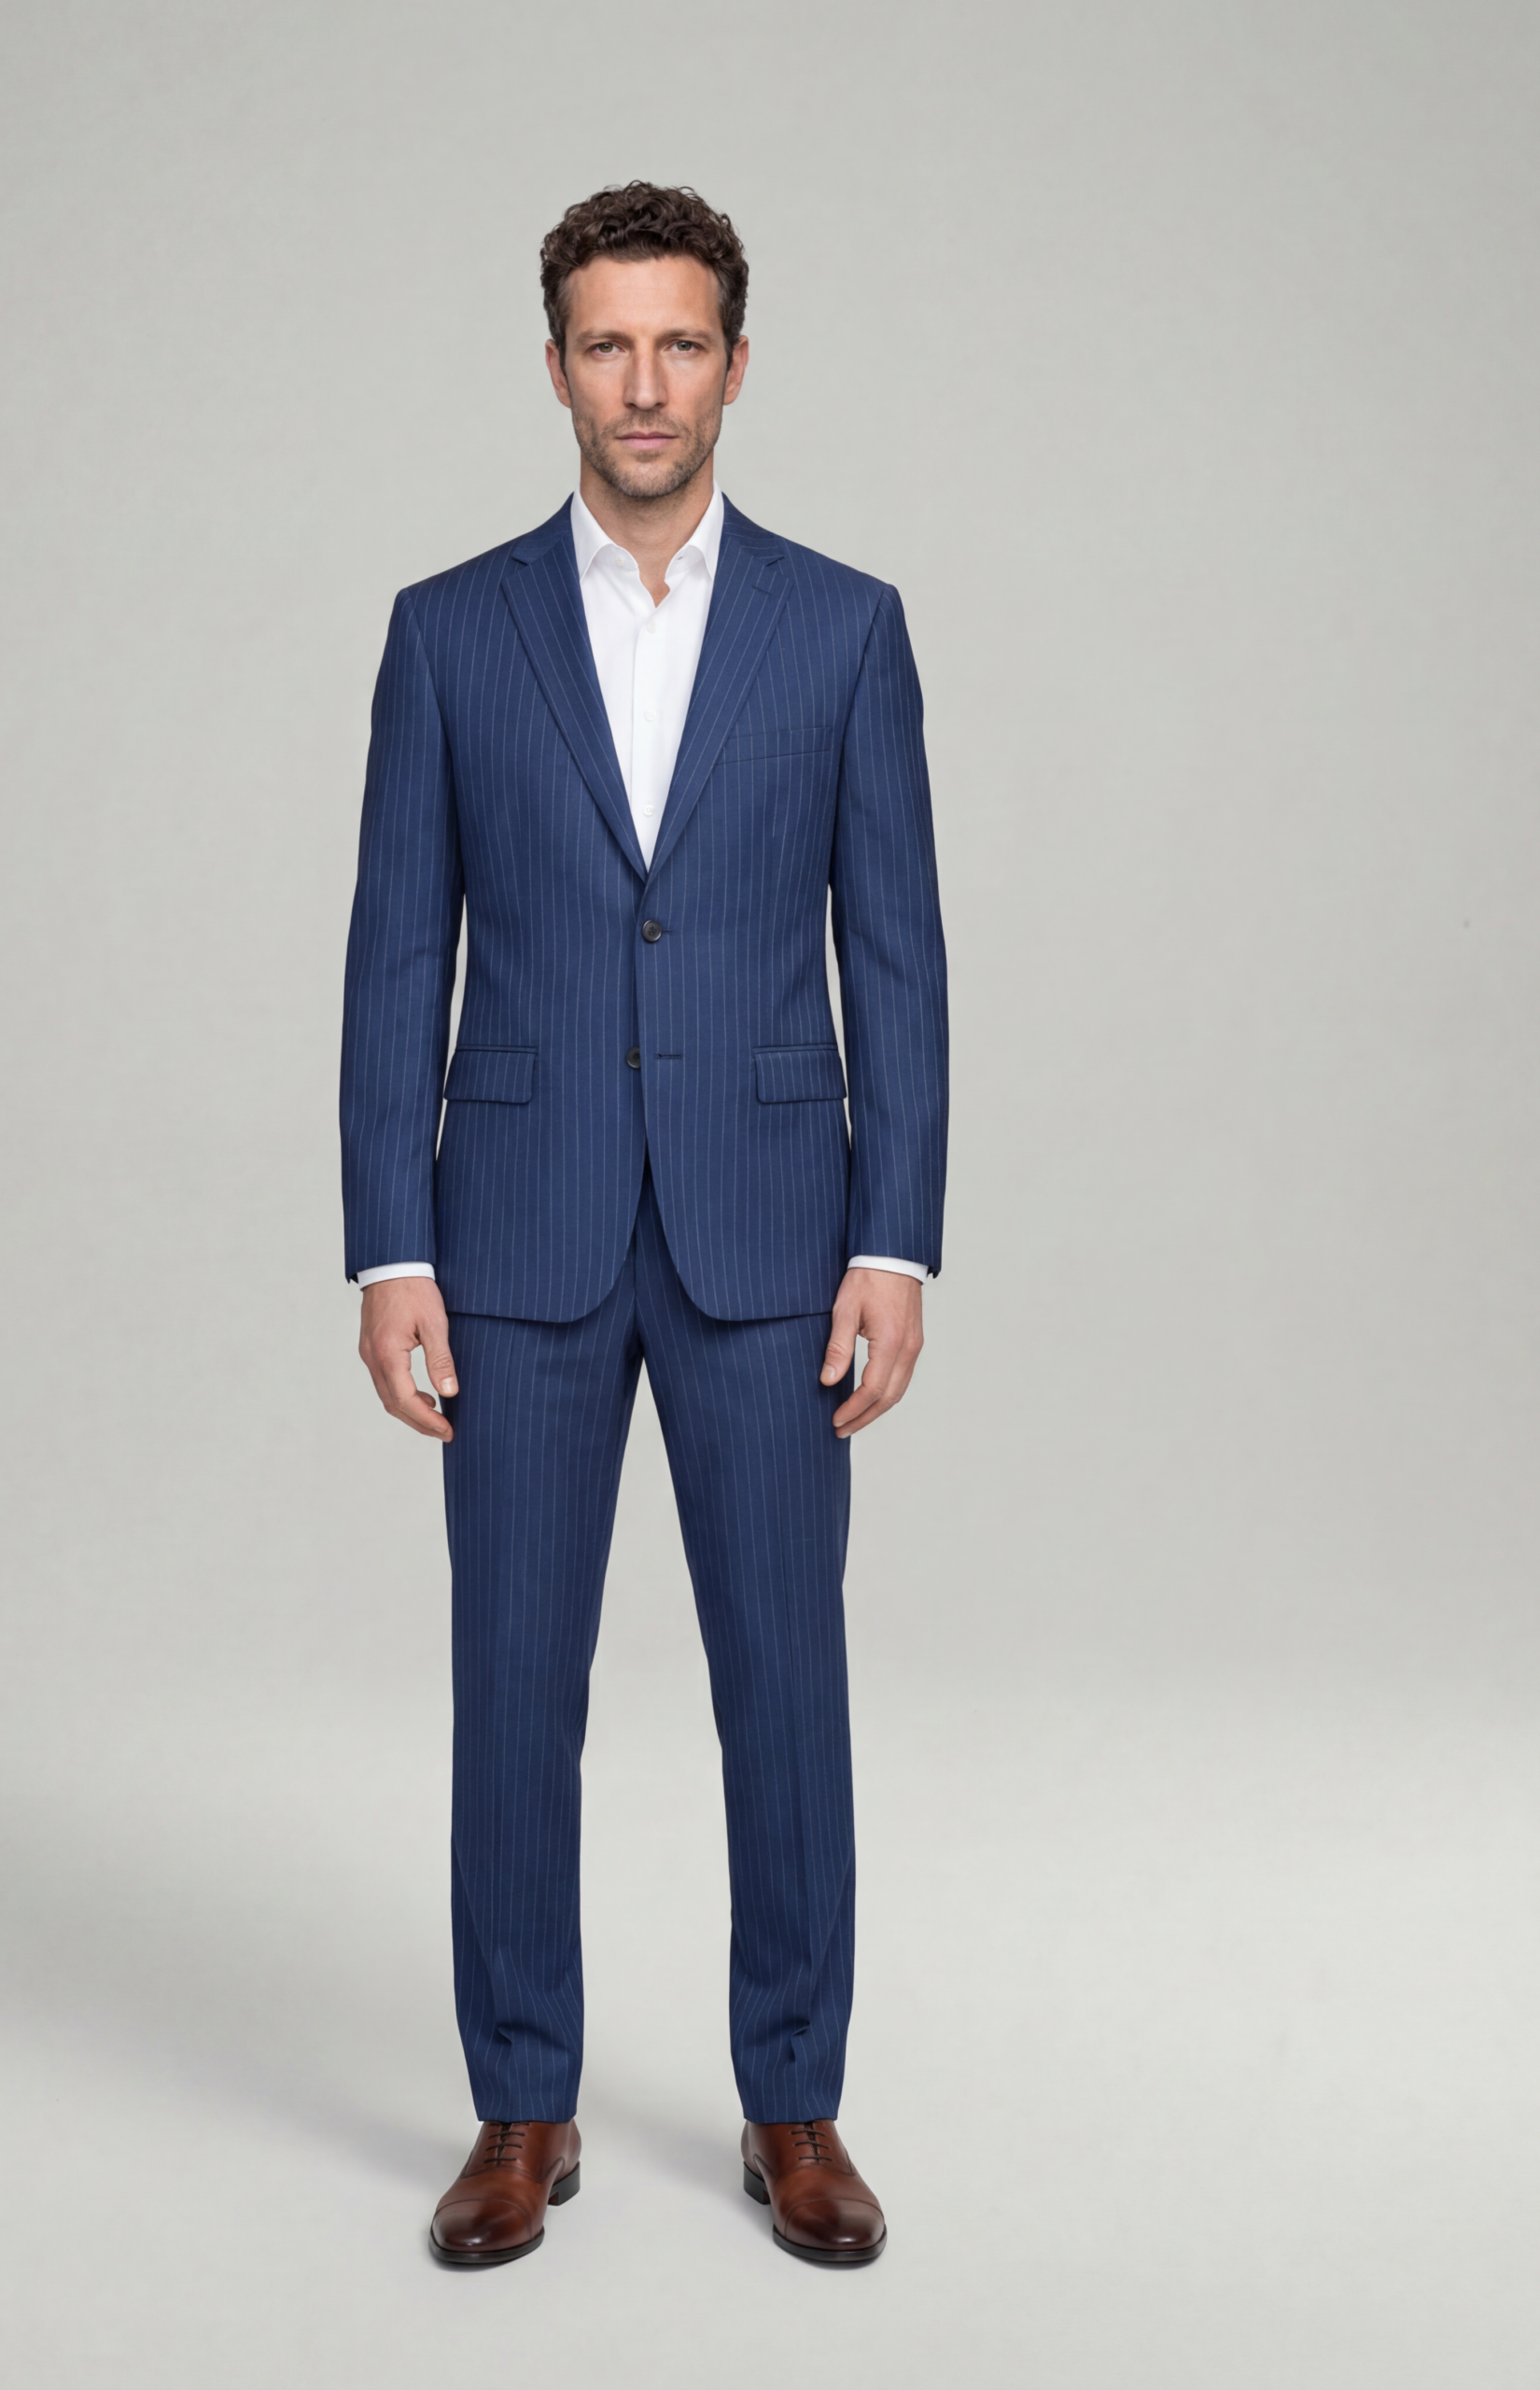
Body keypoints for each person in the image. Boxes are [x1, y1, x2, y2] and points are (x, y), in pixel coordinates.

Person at [340, 182, 947, 2268]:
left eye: (679, 342)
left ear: (736, 367)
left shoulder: (843, 628)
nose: (644, 382)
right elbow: (392, 955)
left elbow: (898, 957)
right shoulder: (449, 630)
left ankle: (795, 2105)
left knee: (784, 1685)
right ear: (554, 370)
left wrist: (896, 1242)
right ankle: (522, 2108)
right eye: (606, 343)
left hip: (774, 1241)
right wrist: (387, 1248)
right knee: (513, 1690)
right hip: (511, 1236)